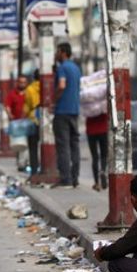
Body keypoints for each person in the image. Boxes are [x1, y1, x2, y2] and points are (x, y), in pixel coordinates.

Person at [53, 43, 82, 188]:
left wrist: (54, 99)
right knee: (74, 145)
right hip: (74, 110)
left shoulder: (62, 67)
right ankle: (75, 178)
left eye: (57, 51)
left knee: (63, 145)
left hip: (62, 111)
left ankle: (66, 178)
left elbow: (62, 85)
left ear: (62, 52)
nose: (55, 54)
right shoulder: (76, 68)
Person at [85, 110, 109, 191]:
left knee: (95, 157)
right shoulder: (103, 100)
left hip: (91, 130)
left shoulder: (89, 99)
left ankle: (97, 183)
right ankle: (102, 170)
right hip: (103, 129)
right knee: (104, 155)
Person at [23, 72, 42, 174]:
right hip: (47, 122)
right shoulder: (49, 86)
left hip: (33, 120)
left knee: (33, 147)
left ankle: (34, 170)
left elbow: (27, 106)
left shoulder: (30, 89)